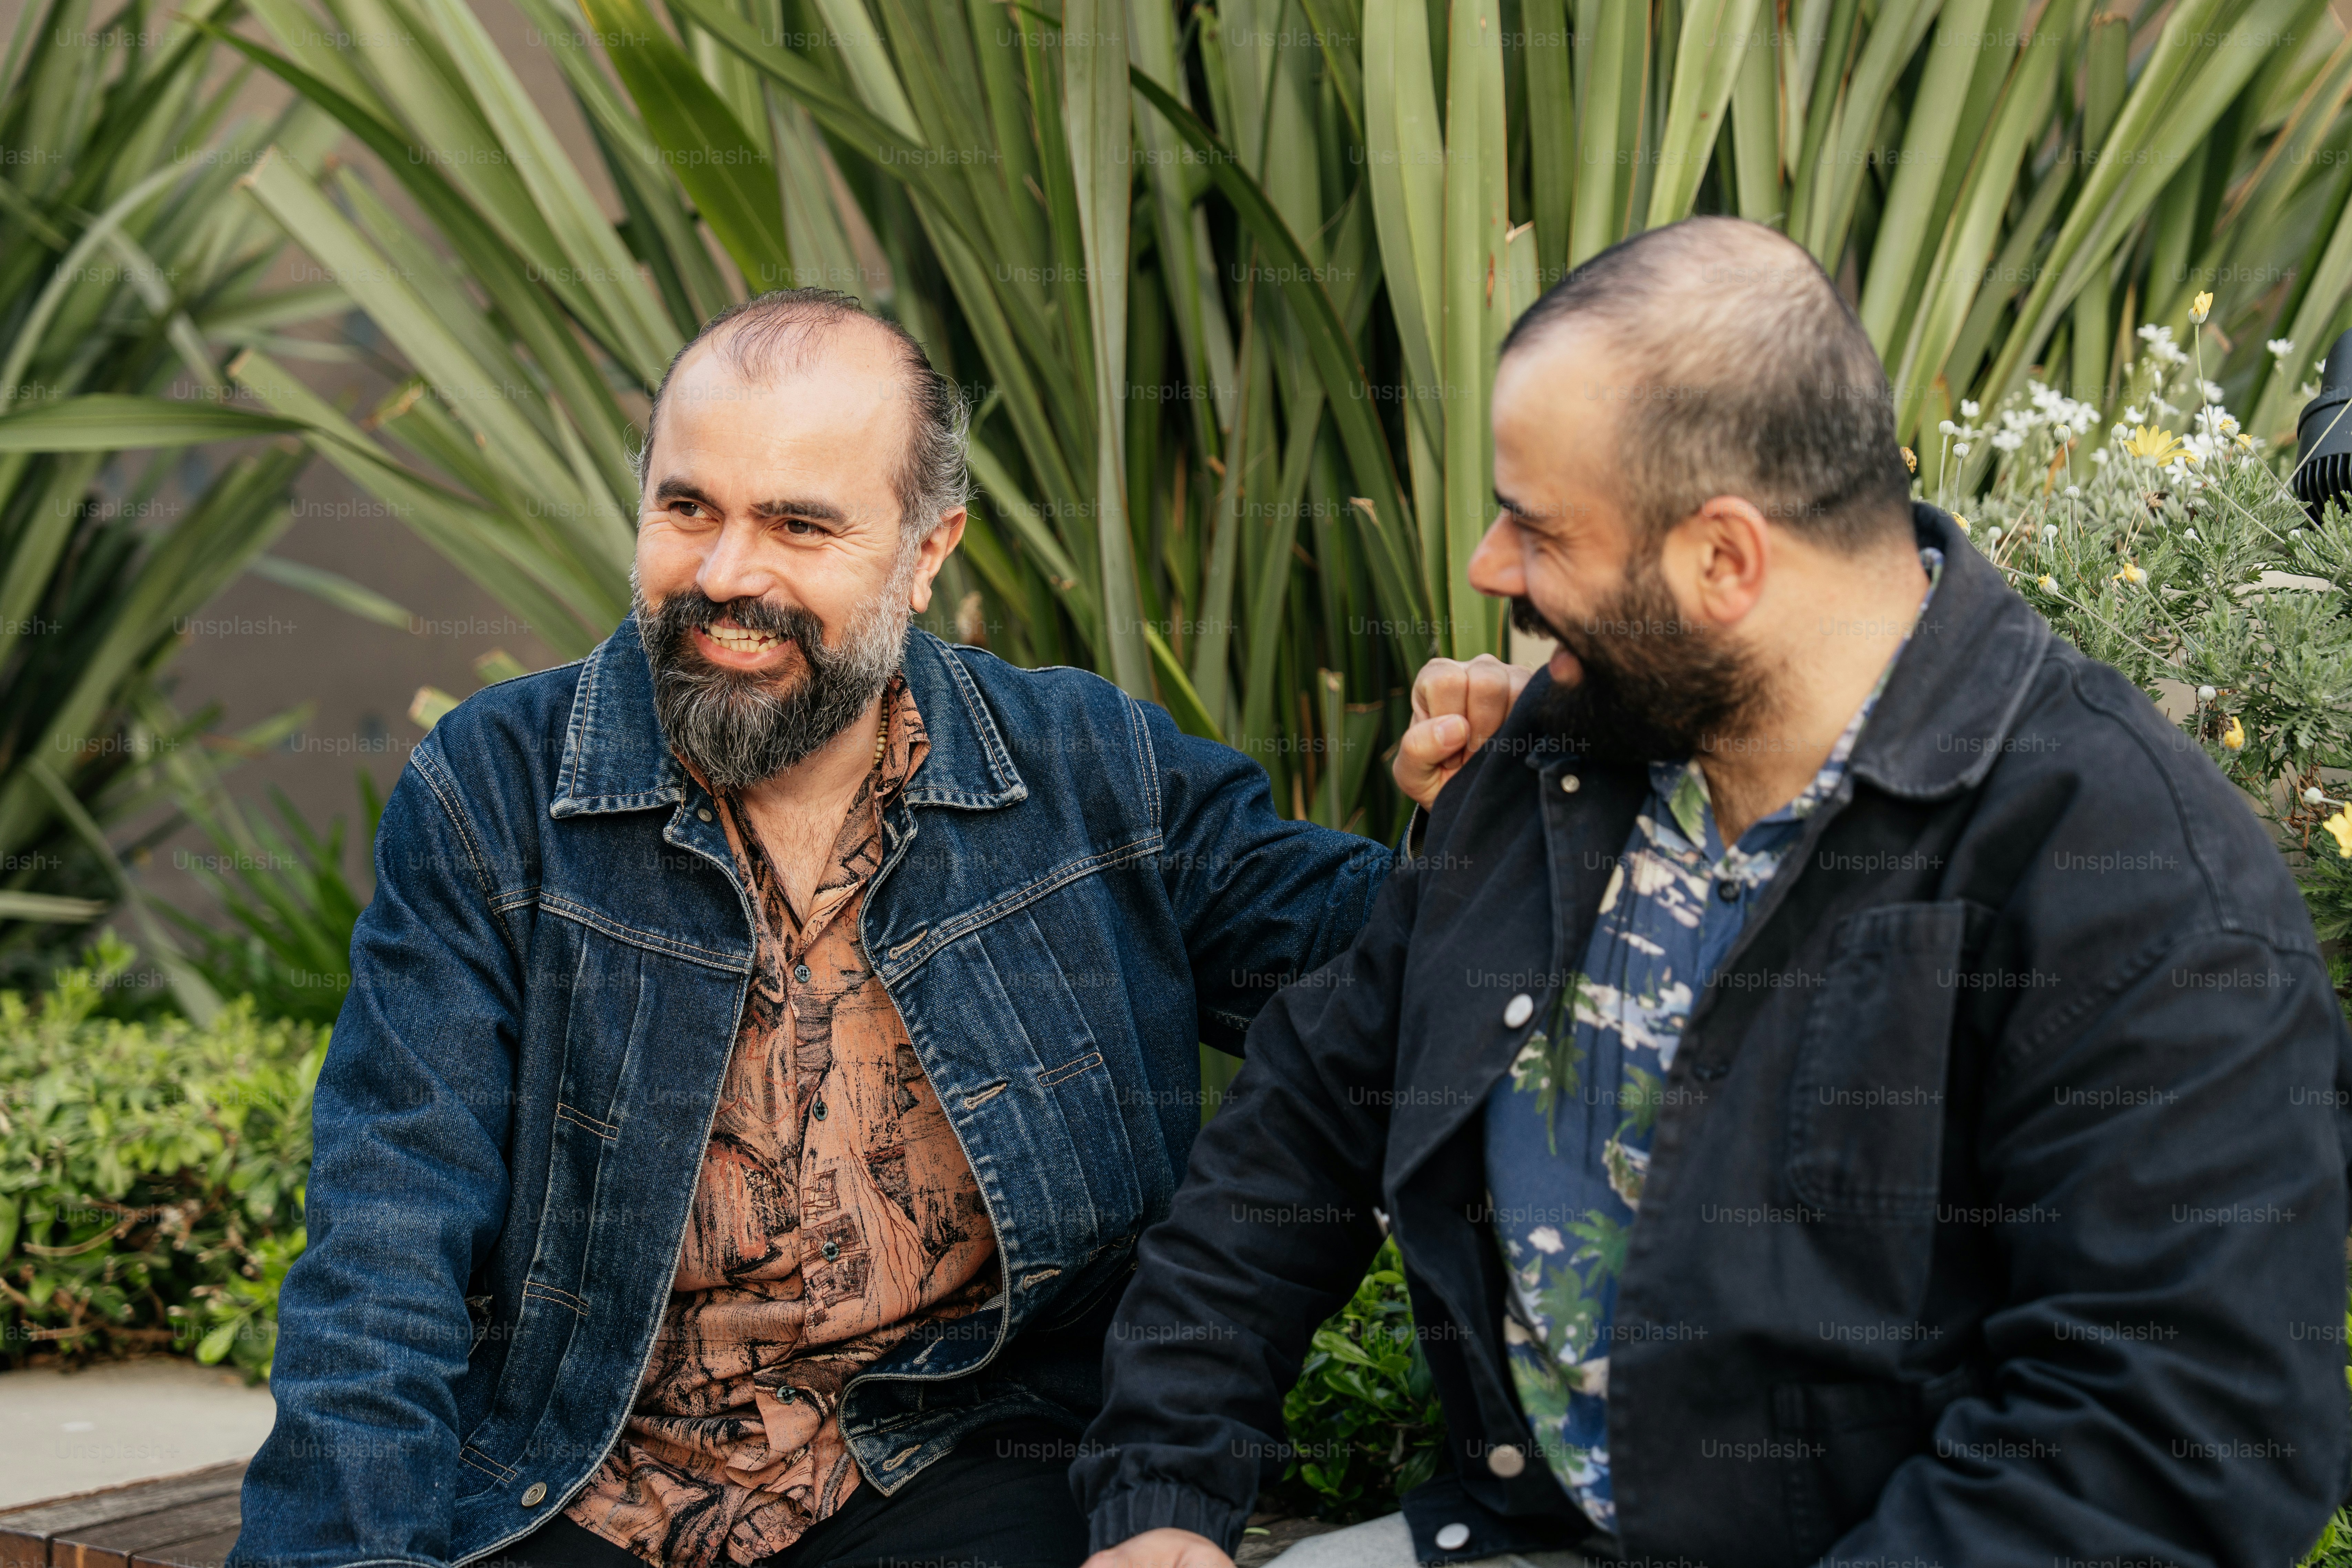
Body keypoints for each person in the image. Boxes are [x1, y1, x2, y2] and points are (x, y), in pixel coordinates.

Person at [1075, 217, 2352, 1568]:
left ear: (1725, 562)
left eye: (1536, 527)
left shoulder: (2130, 878)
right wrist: (1161, 1489)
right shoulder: (1555, 758)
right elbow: (1295, 1136)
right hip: (1506, 1533)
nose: (1487, 571)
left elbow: (2166, 1447)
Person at [226, 289, 1485, 1568]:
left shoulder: (1092, 771)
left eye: (799, 524)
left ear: (927, 552)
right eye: (688, 508)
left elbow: (1391, 987)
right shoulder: (495, 792)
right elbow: (385, 1244)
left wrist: (1507, 812)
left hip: (962, 1453)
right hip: (583, 1471)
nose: (726, 576)